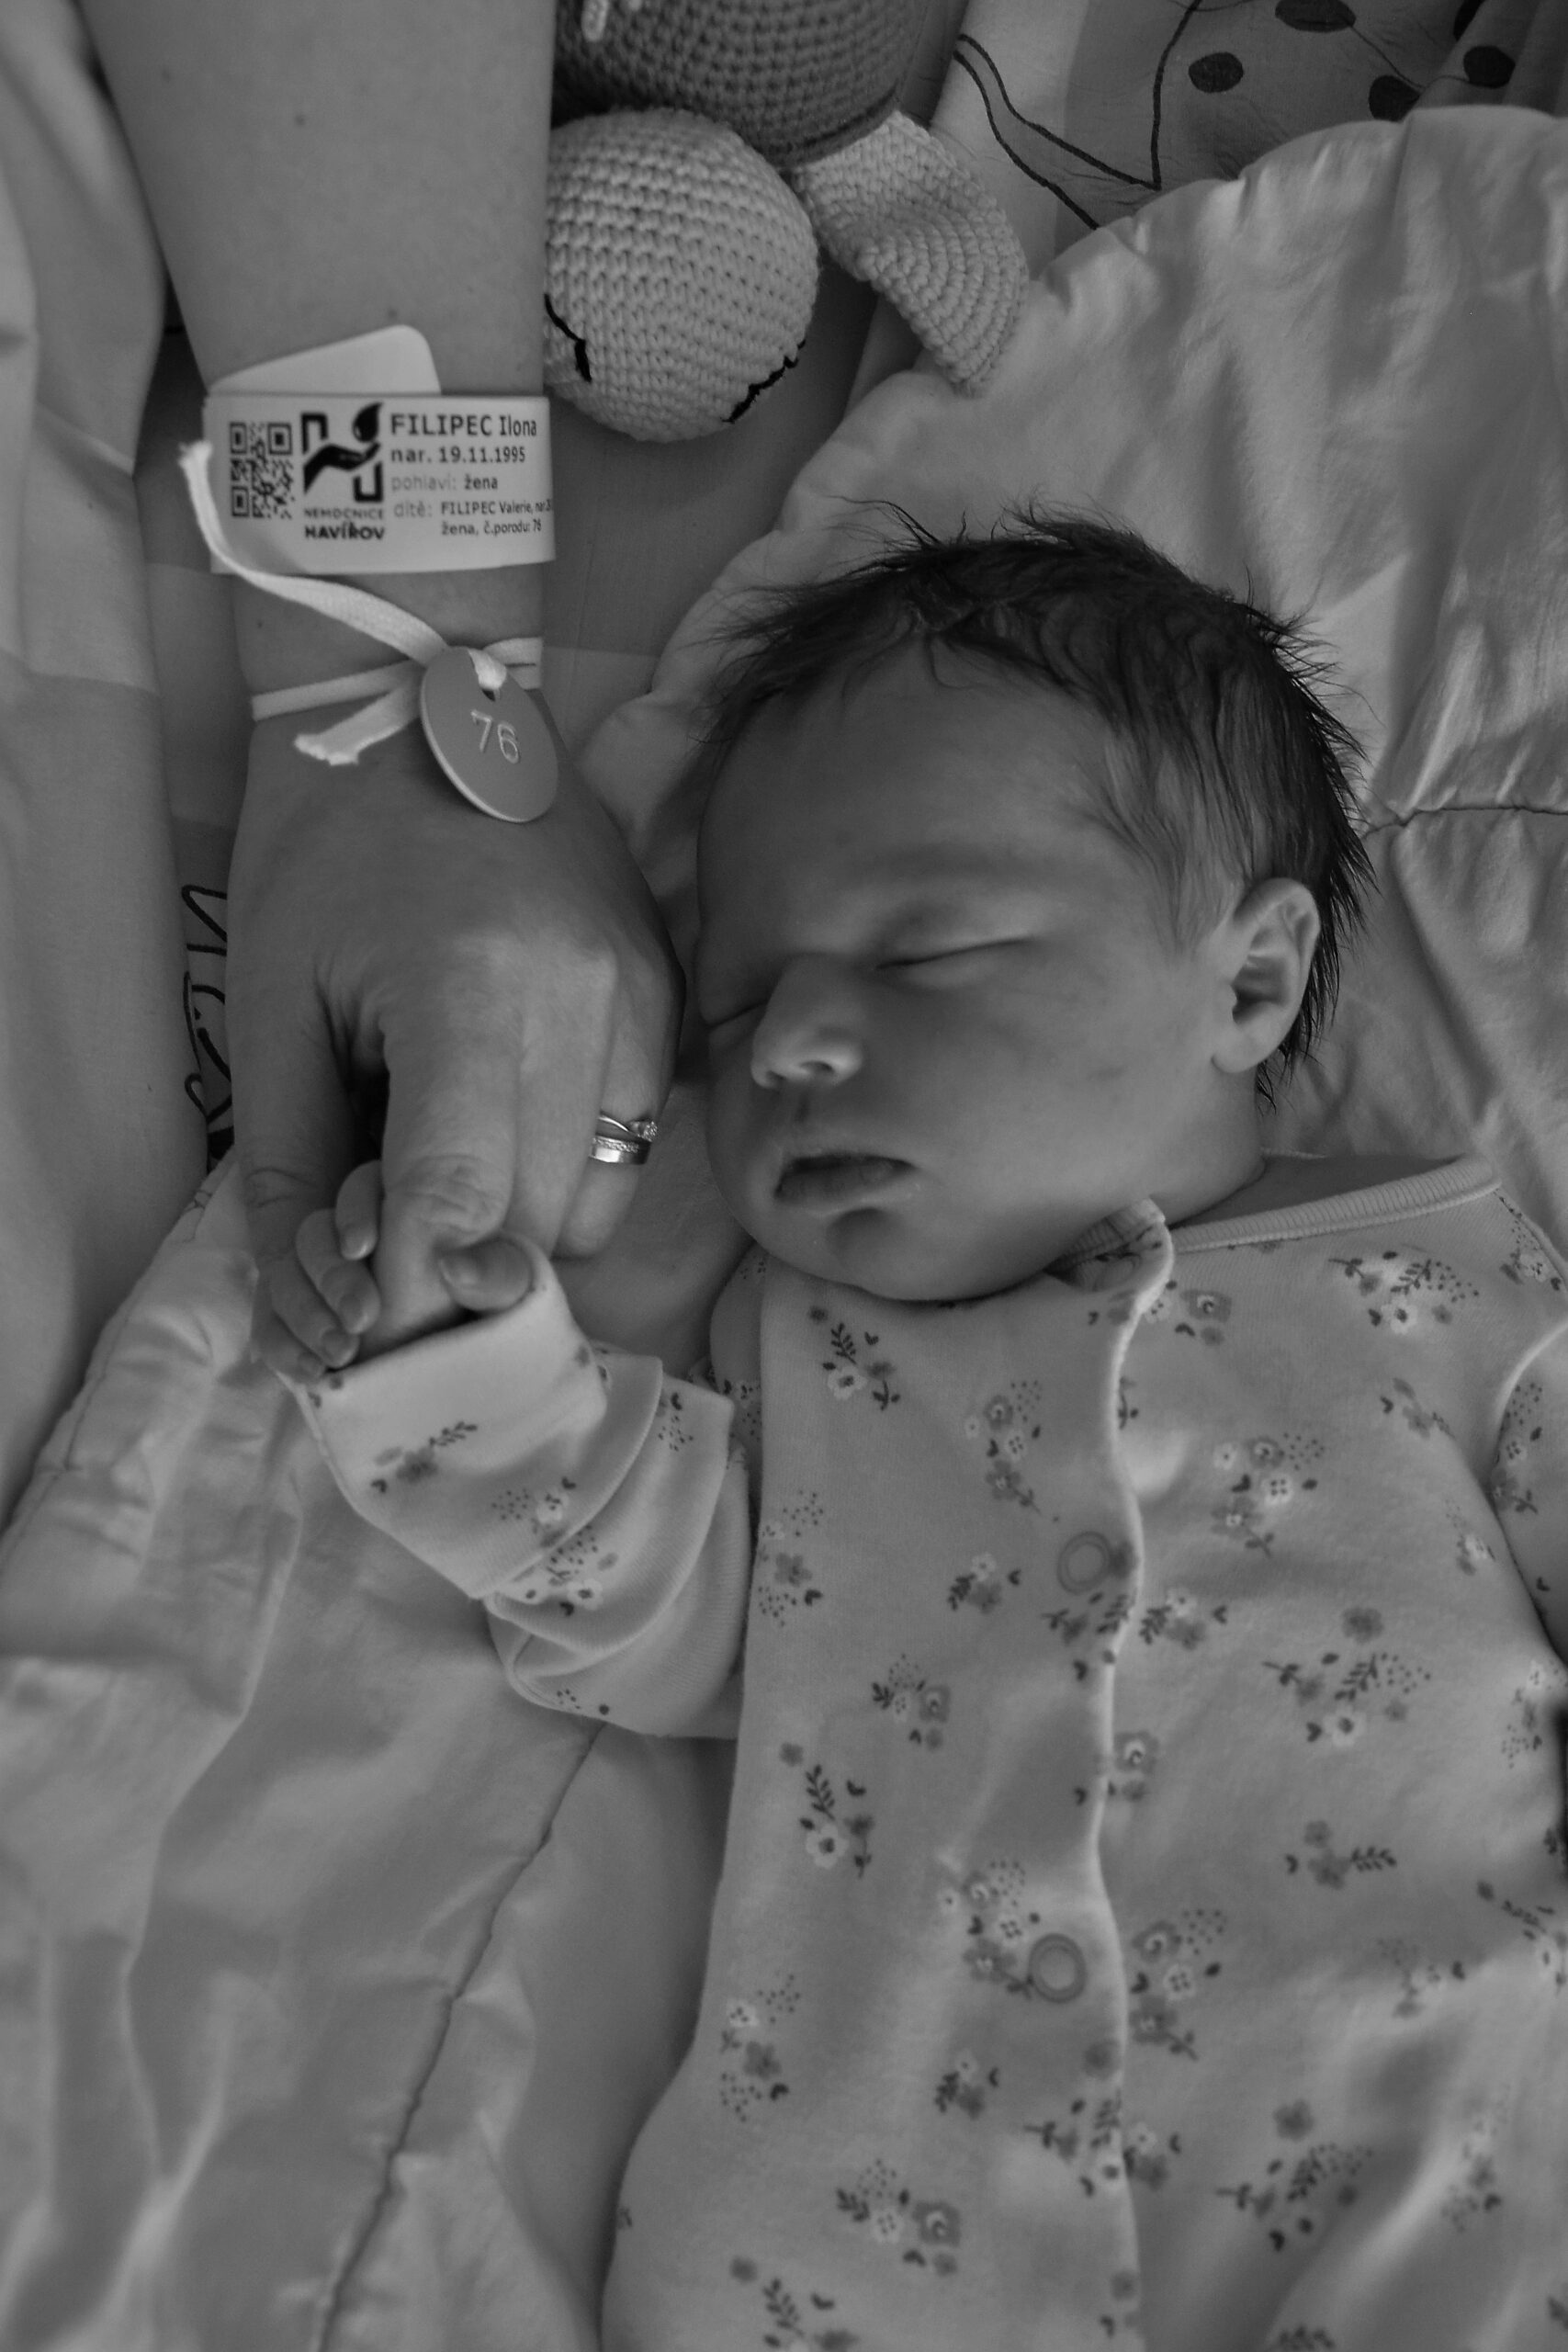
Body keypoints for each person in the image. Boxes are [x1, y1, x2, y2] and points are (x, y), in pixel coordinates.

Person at [283, 516, 1568, 2351]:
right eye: (736, 1003)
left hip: (1438, 2163)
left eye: (922, 949)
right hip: (859, 2234)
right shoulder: (808, 1356)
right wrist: (462, 1376)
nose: (786, 1042)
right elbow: (666, 1597)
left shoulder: (1448, 1280)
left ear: (1249, 984)